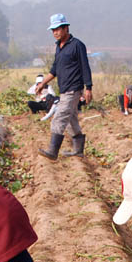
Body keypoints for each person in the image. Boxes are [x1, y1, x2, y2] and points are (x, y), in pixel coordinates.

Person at [35, 13, 92, 160]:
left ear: (66, 28)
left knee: (59, 118)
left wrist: (88, 88)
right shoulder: (59, 47)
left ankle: (53, 152)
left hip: (74, 89)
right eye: (53, 30)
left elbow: (85, 67)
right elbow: (55, 69)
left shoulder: (77, 45)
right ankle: (78, 149)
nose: (55, 32)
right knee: (71, 120)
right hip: (64, 89)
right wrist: (43, 83)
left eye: (58, 29)